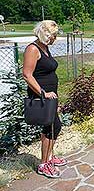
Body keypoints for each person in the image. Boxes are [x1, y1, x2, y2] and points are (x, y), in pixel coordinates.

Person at [22, 20, 67, 178]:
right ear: (45, 34)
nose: (55, 39)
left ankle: (49, 157)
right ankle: (43, 164)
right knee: (53, 126)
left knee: (52, 127)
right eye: (53, 36)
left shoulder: (44, 47)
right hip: (41, 95)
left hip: (50, 95)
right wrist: (43, 93)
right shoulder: (32, 49)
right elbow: (27, 75)